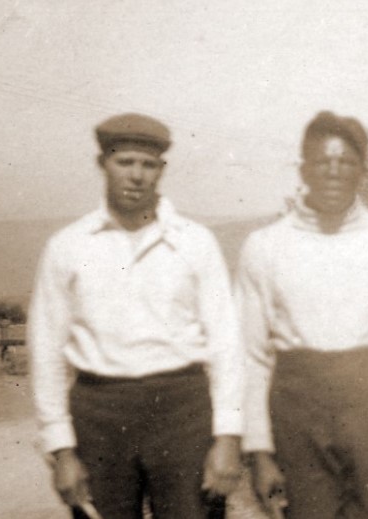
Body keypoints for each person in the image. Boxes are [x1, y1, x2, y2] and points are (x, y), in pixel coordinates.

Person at [28, 113, 244, 518]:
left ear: (161, 170)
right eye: (124, 162)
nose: (136, 175)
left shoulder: (195, 243)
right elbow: (46, 351)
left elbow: (226, 344)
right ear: (102, 164)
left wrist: (229, 438)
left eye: (148, 165)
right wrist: (61, 451)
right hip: (99, 414)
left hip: (183, 411)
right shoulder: (68, 247)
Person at [237, 111, 368, 518]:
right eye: (323, 162)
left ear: (362, 171)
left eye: (346, 163)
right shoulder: (265, 246)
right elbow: (251, 356)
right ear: (303, 168)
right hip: (297, 414)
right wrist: (258, 451)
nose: (334, 172)